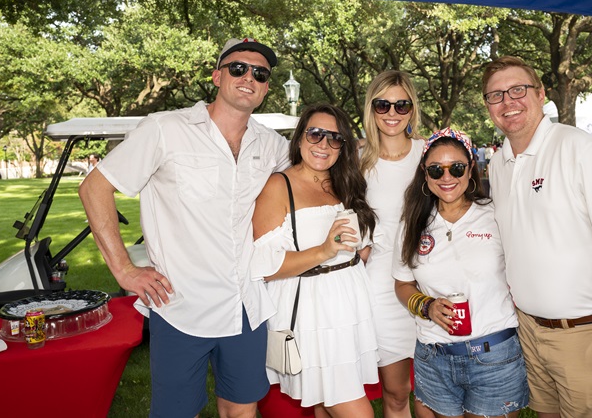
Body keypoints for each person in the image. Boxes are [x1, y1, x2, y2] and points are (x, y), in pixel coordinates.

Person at [78, 37, 289, 417]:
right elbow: (95, 187)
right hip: (180, 305)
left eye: (260, 73)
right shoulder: (164, 128)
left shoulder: (272, 145)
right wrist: (124, 269)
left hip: (247, 305)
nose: (249, 77)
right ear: (217, 76)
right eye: (238, 68)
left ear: (267, 87)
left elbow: (319, 174)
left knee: (241, 410)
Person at [482, 56, 592, 418]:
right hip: (528, 330)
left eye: (517, 90)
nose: (508, 102)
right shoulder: (497, 163)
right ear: (488, 106)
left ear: (540, 94)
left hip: (585, 334)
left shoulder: (580, 149)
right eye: (495, 95)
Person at [251, 104, 379, 417]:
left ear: (343, 146)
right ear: (299, 139)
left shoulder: (346, 182)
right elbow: (262, 267)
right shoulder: (277, 186)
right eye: (315, 134)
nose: (323, 144)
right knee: (350, 405)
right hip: (312, 310)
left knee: (325, 404)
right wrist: (323, 251)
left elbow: (358, 244)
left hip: (347, 302)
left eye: (334, 138)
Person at [392, 127, 529, 418]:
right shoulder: (413, 223)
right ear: (424, 175)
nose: (447, 178)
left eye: (456, 168)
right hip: (434, 358)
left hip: (495, 357)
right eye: (436, 170)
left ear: (470, 170)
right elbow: (403, 283)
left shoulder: (496, 214)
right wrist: (426, 306)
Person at [358, 70, 431, 418]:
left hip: (436, 277)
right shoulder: (357, 160)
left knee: (434, 391)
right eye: (382, 104)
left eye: (401, 104)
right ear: (370, 108)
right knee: (397, 391)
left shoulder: (429, 154)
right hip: (382, 285)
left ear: (412, 109)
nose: (392, 112)